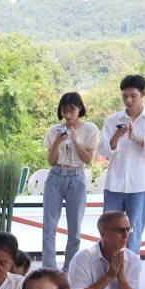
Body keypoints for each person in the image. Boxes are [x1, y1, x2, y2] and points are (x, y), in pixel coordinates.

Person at [102, 73, 145, 253]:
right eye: (125, 96)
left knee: (135, 230)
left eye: (133, 96)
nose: (128, 100)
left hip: (140, 184)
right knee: (108, 230)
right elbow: (103, 151)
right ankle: (108, 270)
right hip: (114, 183)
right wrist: (117, 136)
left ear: (143, 94)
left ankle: (130, 273)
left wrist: (136, 138)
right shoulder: (113, 120)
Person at [42, 92, 99, 270]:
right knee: (49, 225)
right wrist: (58, 143)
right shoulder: (54, 131)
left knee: (74, 227)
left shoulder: (90, 129)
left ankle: (69, 268)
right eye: (64, 111)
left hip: (77, 176)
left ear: (79, 109)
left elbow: (88, 159)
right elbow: (50, 161)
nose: (67, 115)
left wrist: (75, 141)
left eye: (71, 110)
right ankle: (49, 268)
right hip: (56, 175)